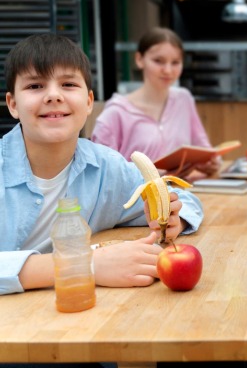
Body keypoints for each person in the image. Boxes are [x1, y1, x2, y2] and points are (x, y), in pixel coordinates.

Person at [0, 33, 204, 296]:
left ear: (88, 102)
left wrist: (175, 218)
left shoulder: (106, 167)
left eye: (68, 84)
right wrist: (85, 264)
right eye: (35, 86)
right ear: (13, 104)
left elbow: (185, 201)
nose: (53, 95)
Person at [91, 27, 221, 180]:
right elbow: (103, 174)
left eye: (175, 62)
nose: (167, 70)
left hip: (182, 195)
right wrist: (148, 175)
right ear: (139, 59)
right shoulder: (115, 113)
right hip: (137, 200)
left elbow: (204, 149)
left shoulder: (184, 99)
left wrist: (211, 163)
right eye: (158, 61)